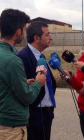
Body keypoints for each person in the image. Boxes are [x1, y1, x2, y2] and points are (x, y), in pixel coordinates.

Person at [0, 9, 46, 140]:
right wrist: (38, 82)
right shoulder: (13, 60)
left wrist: (23, 82)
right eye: (24, 30)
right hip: (10, 129)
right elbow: (27, 97)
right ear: (18, 32)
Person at [18, 21, 56, 140]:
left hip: (47, 114)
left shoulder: (41, 57)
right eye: (47, 34)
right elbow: (20, 90)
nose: (51, 37)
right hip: (33, 116)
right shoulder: (22, 57)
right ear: (37, 38)